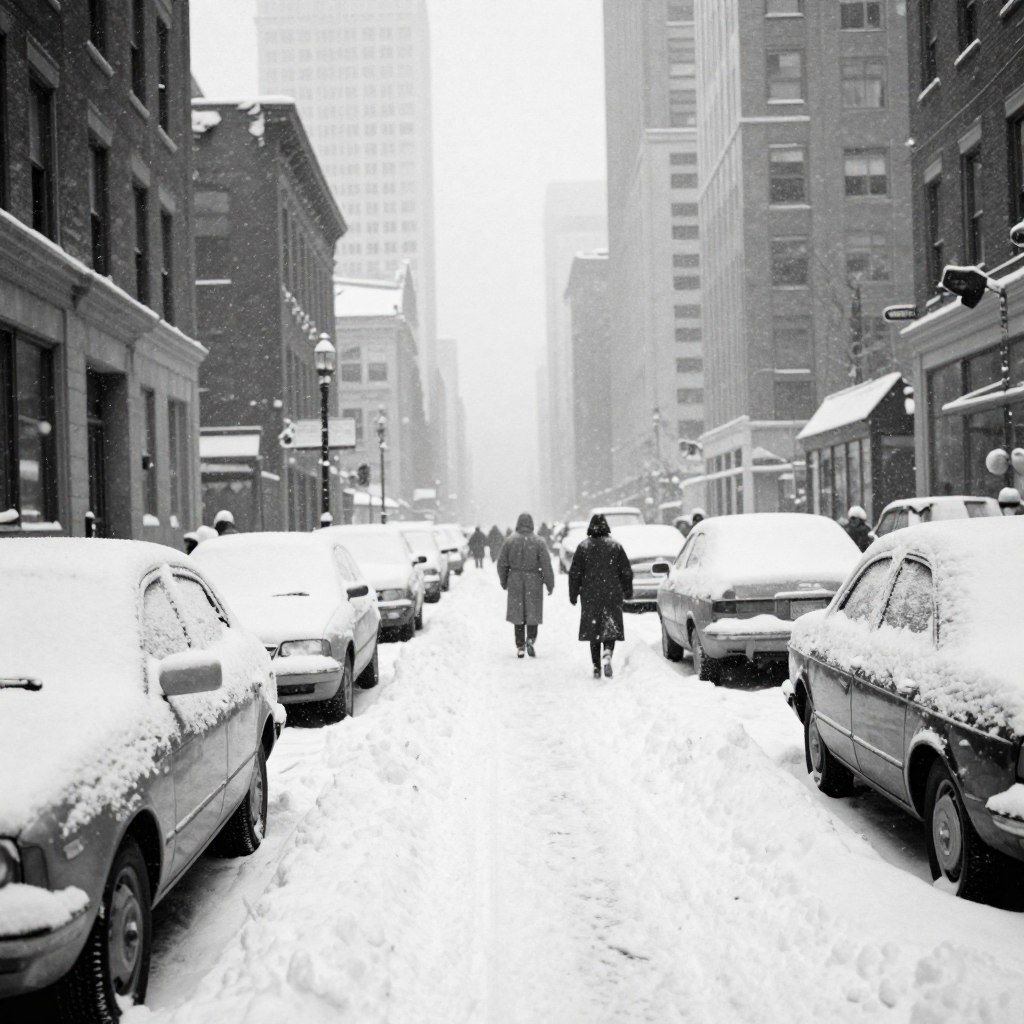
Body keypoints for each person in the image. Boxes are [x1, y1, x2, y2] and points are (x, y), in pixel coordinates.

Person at [568, 513, 633, 679]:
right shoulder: (615, 547)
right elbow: (626, 571)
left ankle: (596, 666)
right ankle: (608, 653)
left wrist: (573, 593)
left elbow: (575, 573)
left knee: (594, 630)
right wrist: (627, 590)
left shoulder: (583, 547)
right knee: (609, 626)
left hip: (590, 595)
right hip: (612, 593)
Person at [497, 513, 555, 658]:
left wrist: (504, 580)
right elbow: (546, 565)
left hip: (515, 579)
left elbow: (501, 564)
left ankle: (520, 645)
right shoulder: (539, 542)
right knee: (532, 613)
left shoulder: (509, 541)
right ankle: (531, 639)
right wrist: (549, 583)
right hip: (534, 579)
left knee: (518, 615)